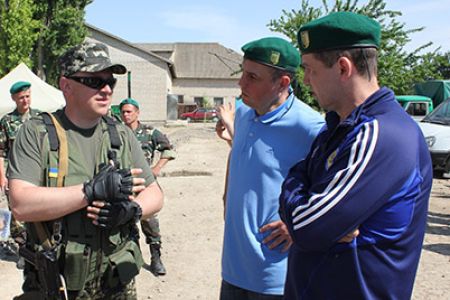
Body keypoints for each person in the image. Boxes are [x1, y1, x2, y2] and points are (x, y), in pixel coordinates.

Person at [279, 12, 433, 299]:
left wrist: (300, 195)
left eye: (310, 69)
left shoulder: (382, 134)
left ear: (342, 68)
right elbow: (307, 210)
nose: (306, 80)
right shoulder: (338, 128)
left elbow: (305, 227)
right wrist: (304, 190)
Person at [8, 41, 164, 299]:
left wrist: (131, 211)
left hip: (116, 281)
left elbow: (155, 194)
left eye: (110, 82)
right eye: (94, 81)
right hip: (60, 284)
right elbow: (21, 204)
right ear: (66, 85)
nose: (105, 90)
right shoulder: (37, 133)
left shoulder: (121, 135)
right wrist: (89, 191)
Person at [217, 37, 325, 299]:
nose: (241, 83)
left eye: (252, 76)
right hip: (232, 267)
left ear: (283, 83)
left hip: (275, 276)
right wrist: (226, 196)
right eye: (243, 73)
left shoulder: (310, 127)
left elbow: (331, 191)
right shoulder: (243, 113)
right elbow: (239, 154)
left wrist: (295, 223)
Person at [120, 97, 176, 276]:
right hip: (123, 184)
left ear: (137, 113)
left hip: (144, 184)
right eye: (123, 112)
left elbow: (168, 149)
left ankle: (156, 257)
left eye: (129, 111)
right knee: (123, 221)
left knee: (150, 221)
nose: (125, 115)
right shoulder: (117, 132)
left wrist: (156, 168)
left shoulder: (150, 132)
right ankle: (129, 258)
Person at [0, 81, 40, 268]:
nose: (25, 100)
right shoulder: (7, 121)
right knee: (18, 214)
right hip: (15, 174)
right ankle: (23, 251)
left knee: (39, 211)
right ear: (14, 99)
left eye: (27, 96)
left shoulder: (39, 117)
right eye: (21, 97)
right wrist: (2, 176)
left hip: (38, 173)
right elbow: (1, 152)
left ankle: (40, 250)